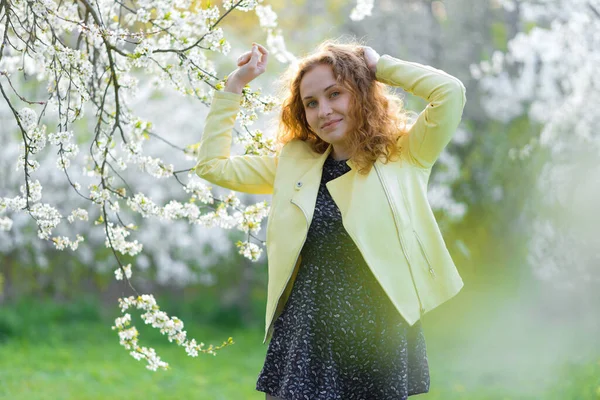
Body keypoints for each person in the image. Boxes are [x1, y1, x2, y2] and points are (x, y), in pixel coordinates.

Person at [195, 38, 467, 400]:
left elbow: (450, 93)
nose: (324, 110)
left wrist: (379, 66)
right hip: (306, 329)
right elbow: (213, 166)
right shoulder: (296, 163)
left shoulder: (406, 152)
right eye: (311, 103)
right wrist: (235, 85)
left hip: (379, 330)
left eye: (335, 93)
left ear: (361, 92)